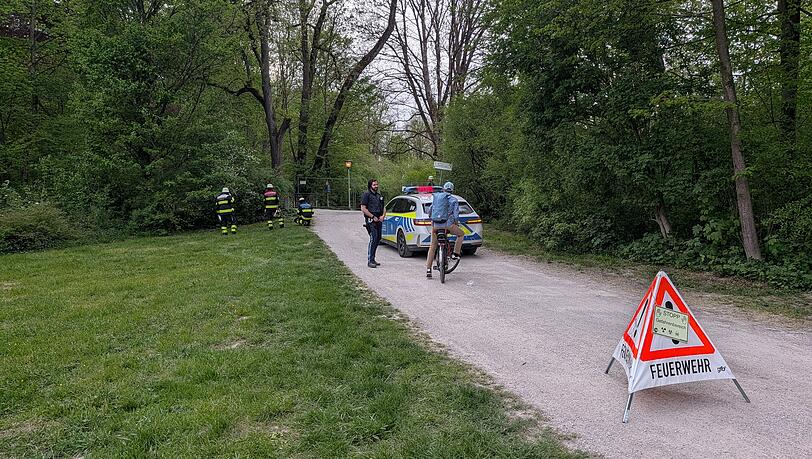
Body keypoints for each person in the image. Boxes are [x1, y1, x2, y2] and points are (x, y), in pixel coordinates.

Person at [425, 181, 464, 278]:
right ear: (452, 190)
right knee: (461, 234)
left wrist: (432, 220)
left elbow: (430, 211)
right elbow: (456, 215)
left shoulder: (437, 198)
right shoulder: (454, 200)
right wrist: (456, 223)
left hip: (436, 226)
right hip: (448, 226)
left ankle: (428, 270)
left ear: (443, 189)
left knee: (433, 246)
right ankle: (456, 253)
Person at [360, 179, 386, 268]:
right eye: (374, 185)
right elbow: (363, 208)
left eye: (377, 184)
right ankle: (370, 260)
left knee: (378, 238)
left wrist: (383, 216)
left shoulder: (379, 196)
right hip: (371, 220)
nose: (376, 186)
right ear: (370, 186)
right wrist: (372, 217)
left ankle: (373, 259)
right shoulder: (366, 195)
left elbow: (384, 207)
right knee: (373, 238)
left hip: (379, 219)